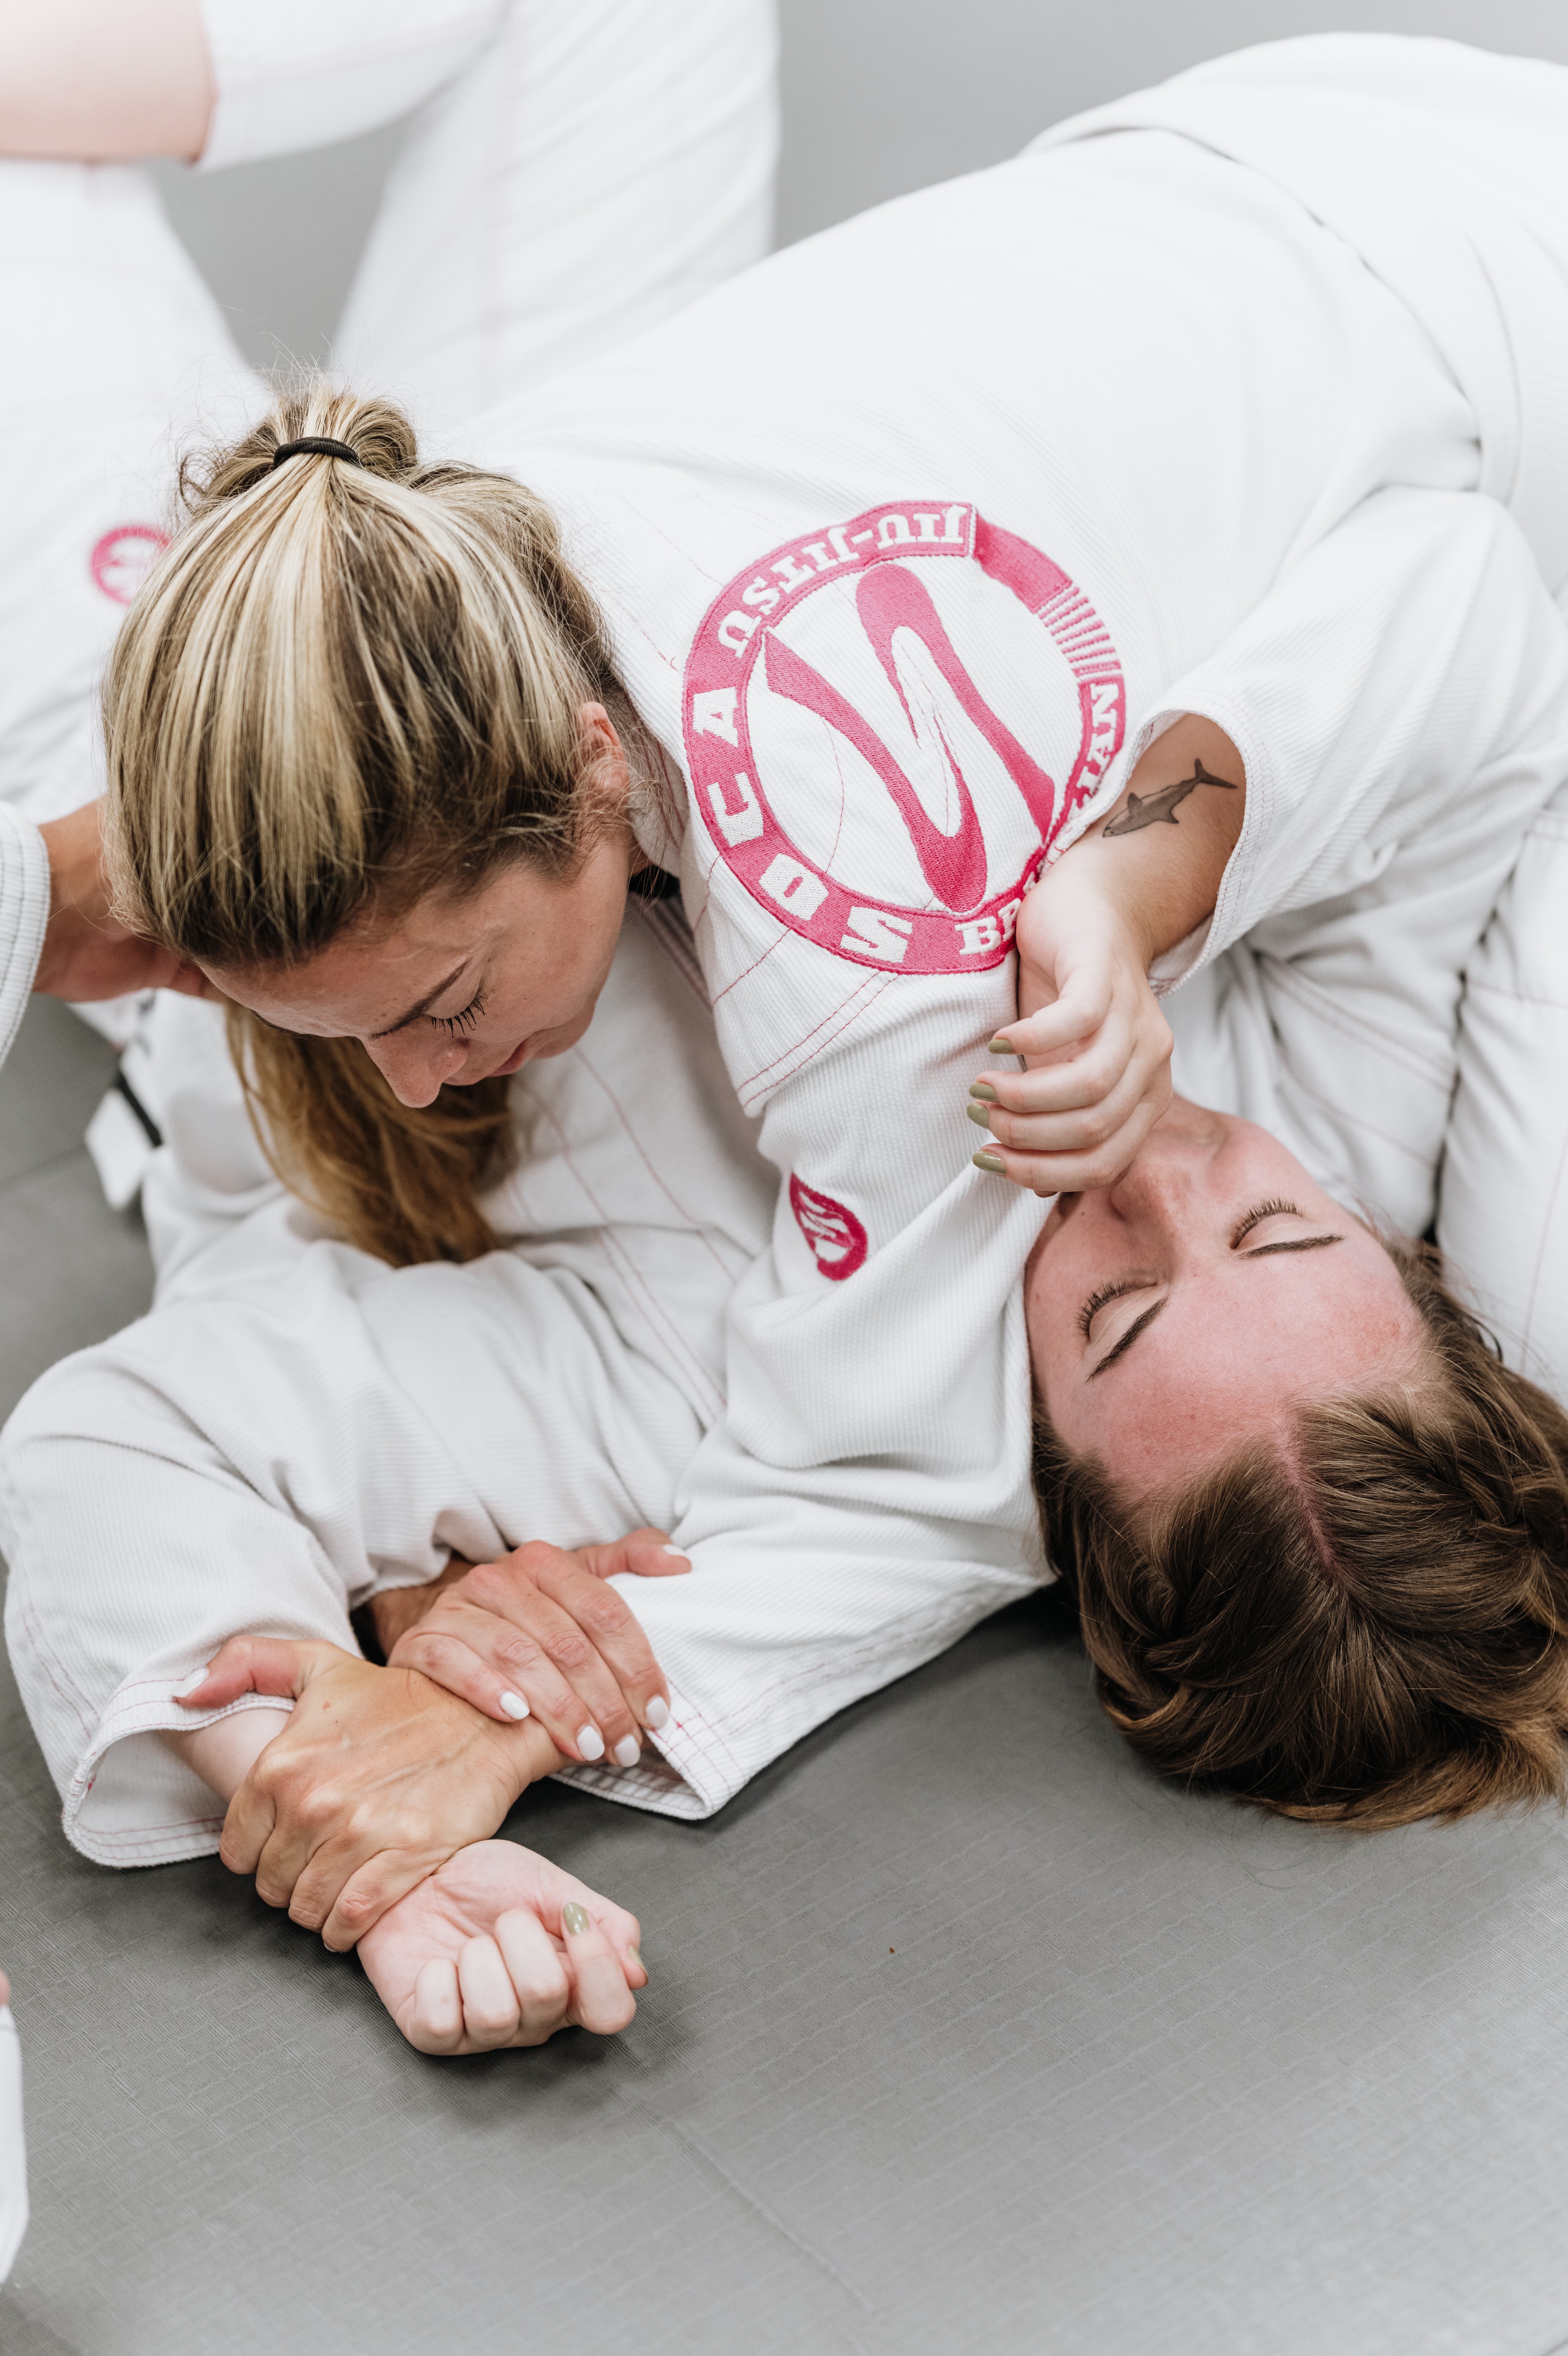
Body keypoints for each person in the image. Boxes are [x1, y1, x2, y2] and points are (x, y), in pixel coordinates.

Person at [9, 31, 1568, 2051]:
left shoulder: (697, 1379)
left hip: (177, 709)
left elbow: (124, 1452)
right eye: (1280, 1225)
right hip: (484, 550)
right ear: (1388, 1246)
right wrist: (1137, 883)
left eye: (1109, 1316)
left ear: (1036, 1486)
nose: (1152, 1175)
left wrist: (367, 1766)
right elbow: (1454, 611)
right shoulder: (1312, 1097)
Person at [0, 0, 778, 1069]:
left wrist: (43, 896)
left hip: (207, 724)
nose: (417, 1079)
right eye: (443, 1011)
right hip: (299, 717)